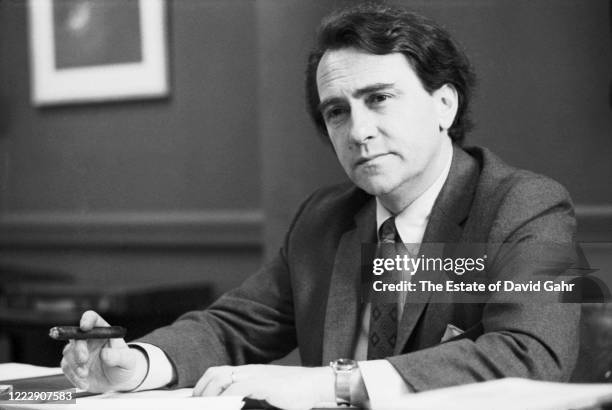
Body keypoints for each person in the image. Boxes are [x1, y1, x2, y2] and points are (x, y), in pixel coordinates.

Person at [61, 4, 580, 409]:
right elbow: (233, 327)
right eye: (337, 112)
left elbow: (531, 355)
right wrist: (140, 364)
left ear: (444, 104)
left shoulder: (527, 205)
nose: (359, 131)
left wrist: (335, 384)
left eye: (379, 98)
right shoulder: (324, 219)